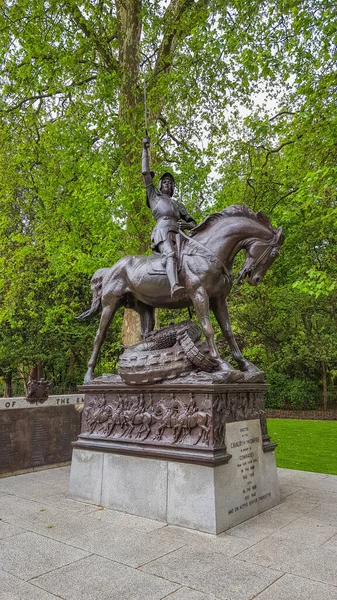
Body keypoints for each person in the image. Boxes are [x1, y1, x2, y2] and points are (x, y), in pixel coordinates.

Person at [142, 135, 196, 299]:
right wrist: (145, 149)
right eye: (165, 181)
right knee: (170, 255)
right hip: (162, 233)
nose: (168, 184)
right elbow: (145, 172)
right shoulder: (154, 197)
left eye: (171, 182)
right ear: (159, 185)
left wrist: (188, 226)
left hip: (180, 235)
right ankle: (174, 286)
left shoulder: (178, 205)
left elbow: (192, 222)